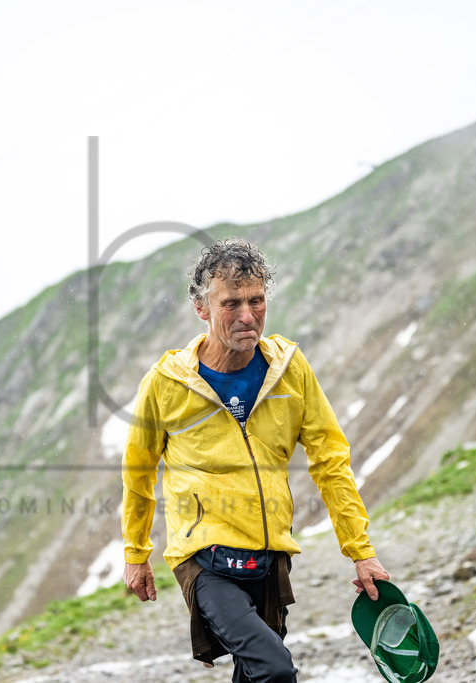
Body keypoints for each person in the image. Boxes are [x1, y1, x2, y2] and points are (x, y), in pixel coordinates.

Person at [120, 237, 390, 681]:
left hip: (269, 553)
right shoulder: (166, 383)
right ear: (201, 307)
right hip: (204, 557)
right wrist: (136, 553)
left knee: (256, 674)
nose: (248, 316)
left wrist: (361, 553)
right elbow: (139, 471)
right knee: (274, 668)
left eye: (257, 300)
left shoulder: (290, 368)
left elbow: (330, 461)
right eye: (231, 303)